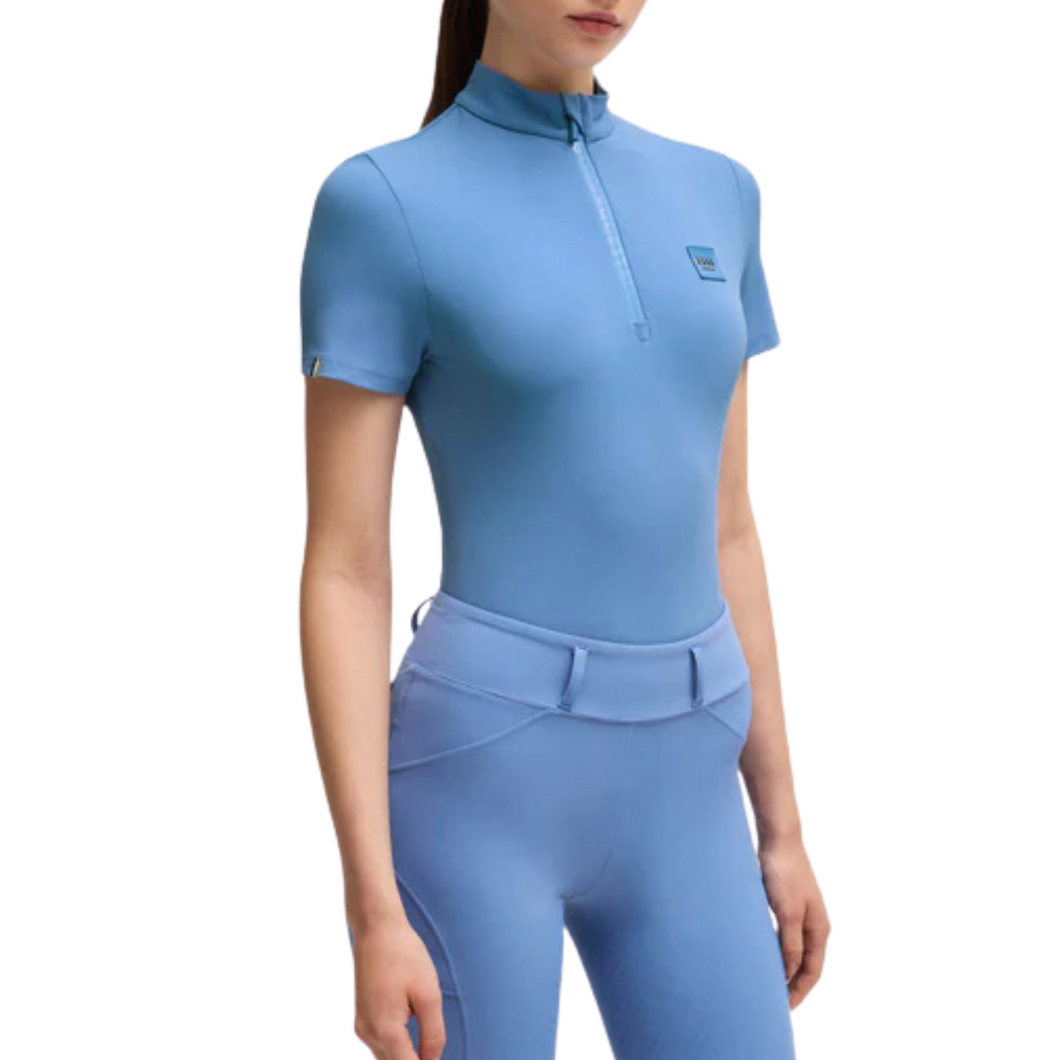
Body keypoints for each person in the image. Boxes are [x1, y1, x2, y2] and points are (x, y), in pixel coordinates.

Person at [298, 2, 829, 1057]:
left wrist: (782, 826)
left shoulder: (719, 194)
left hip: (690, 785)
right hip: (484, 783)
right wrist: (371, 906)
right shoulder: (384, 203)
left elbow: (729, 530)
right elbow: (346, 569)